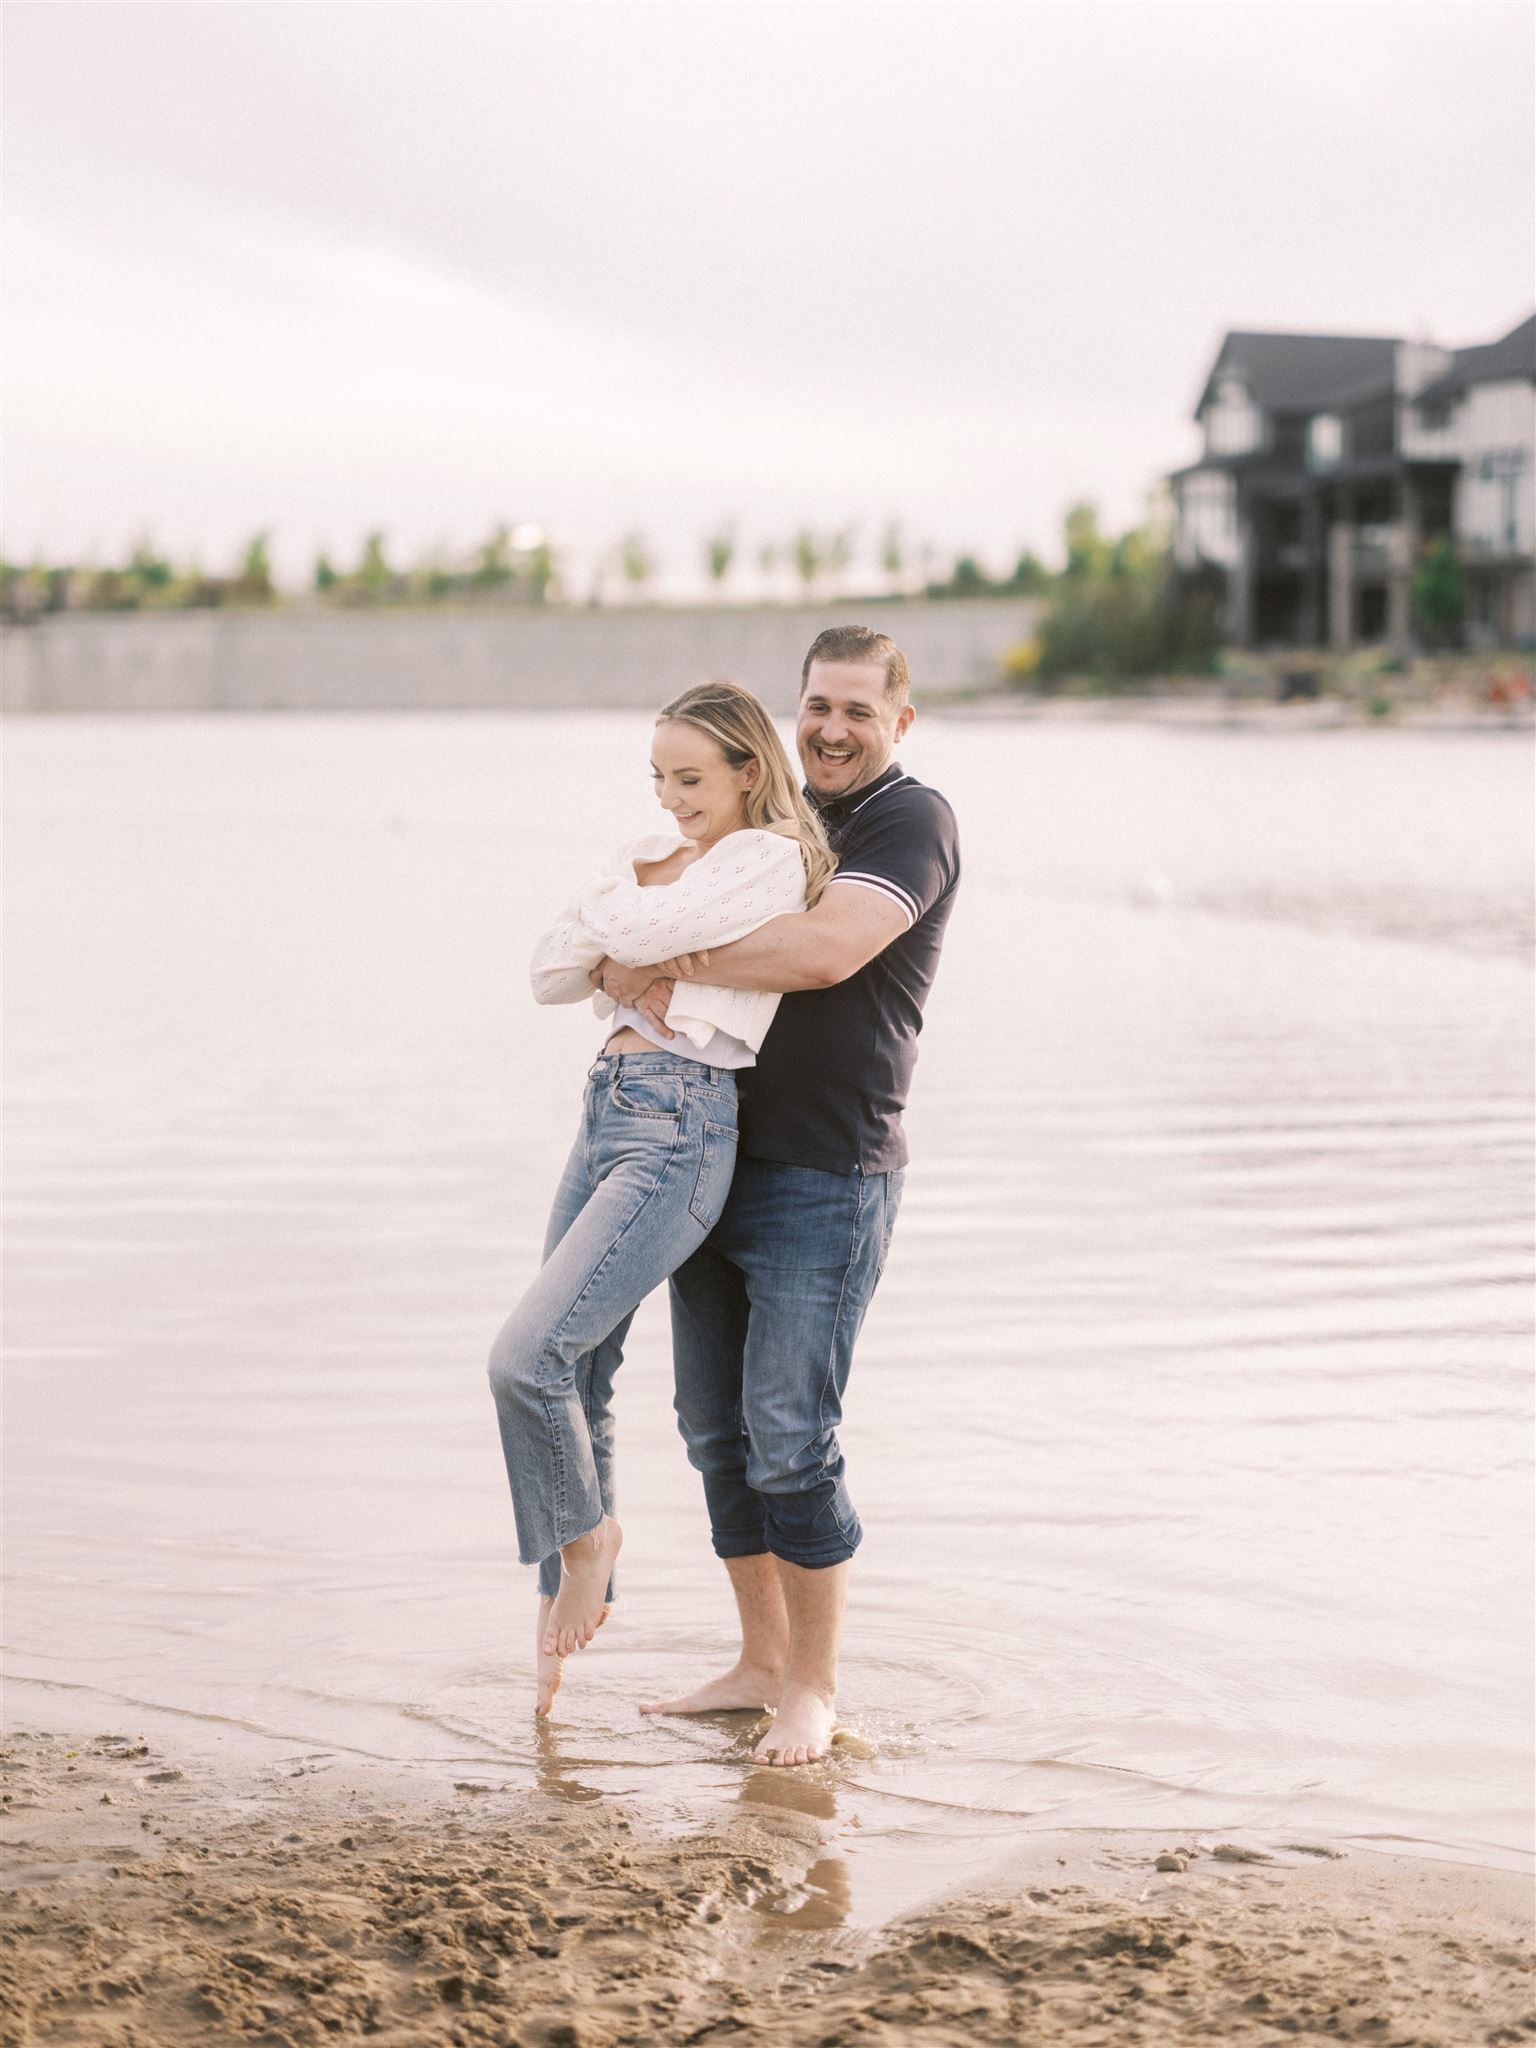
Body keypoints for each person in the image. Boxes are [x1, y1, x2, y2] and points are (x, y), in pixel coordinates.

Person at [592, 626, 960, 1765]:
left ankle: (813, 1688)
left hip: (828, 1170)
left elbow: (822, 953)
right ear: (791, 714)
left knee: (792, 1437)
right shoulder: (770, 828)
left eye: (859, 710)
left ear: (900, 722)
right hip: (712, 1153)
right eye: (818, 706)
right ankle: (755, 1661)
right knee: (714, 1429)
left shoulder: (911, 818)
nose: (834, 729)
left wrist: (664, 960)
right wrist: (633, 943)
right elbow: (630, 906)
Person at [488, 681, 835, 1718]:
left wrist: (619, 927)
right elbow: (551, 972)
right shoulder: (651, 853)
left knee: (523, 1357)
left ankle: (591, 1540)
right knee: (576, 1369)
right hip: (606, 1105)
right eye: (659, 779)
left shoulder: (765, 857)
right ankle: (560, 1613)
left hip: (683, 1120)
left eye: (692, 778)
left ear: (746, 771)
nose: (673, 799)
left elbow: (638, 930)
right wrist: (623, 942)